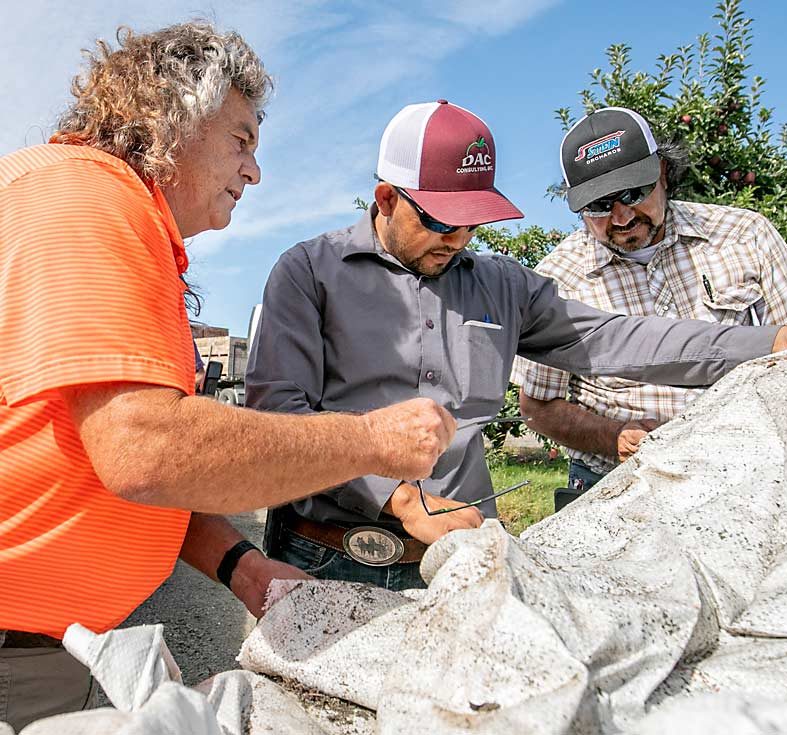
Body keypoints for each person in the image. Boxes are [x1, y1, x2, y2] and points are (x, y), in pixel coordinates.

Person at [0, 24, 453, 729]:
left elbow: (119, 465)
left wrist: (244, 565)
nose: (254, 171)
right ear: (168, 116)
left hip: (48, 642)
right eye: (241, 141)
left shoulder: (114, 216)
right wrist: (370, 442)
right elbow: (145, 447)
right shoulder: (85, 202)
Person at [246, 100, 787, 592]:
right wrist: (402, 498)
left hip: (462, 560)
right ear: (386, 198)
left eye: (475, 220)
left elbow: (616, 338)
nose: (460, 237)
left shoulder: (504, 285)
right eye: (440, 220)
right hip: (329, 555)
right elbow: (281, 420)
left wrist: (769, 341)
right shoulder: (309, 274)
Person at [512, 106, 787, 507]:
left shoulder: (744, 236)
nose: (622, 215)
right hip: (617, 490)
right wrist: (612, 438)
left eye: (633, 193)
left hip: (747, 481)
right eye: (599, 205)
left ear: (662, 172)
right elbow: (539, 407)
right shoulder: (559, 279)